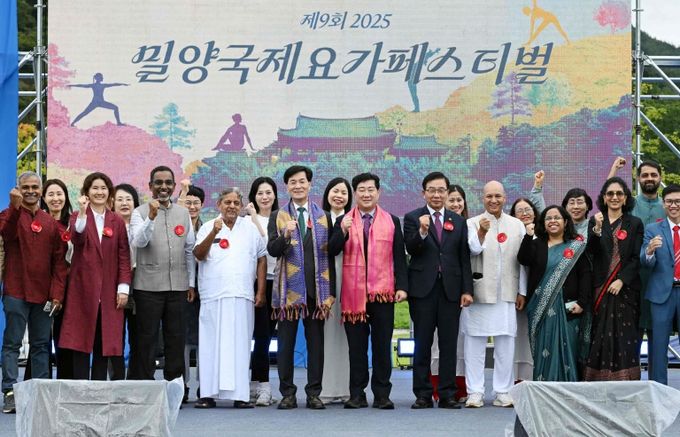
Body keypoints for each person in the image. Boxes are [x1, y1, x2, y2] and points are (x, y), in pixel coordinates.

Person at [329, 173, 408, 410]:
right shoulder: (344, 220)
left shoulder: (391, 221)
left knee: (382, 345)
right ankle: (357, 394)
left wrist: (402, 286)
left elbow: (398, 256)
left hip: (382, 293)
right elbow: (332, 250)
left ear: (378, 192)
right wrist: (342, 232)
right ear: (355, 193)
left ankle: (382, 394)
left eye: (370, 189)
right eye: (361, 190)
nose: (366, 194)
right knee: (357, 348)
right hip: (353, 293)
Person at [267, 165, 337, 410]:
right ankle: (287, 393)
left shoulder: (323, 216)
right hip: (288, 293)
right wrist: (284, 236)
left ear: (309, 184)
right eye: (293, 182)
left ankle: (313, 393)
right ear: (287, 187)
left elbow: (330, 255)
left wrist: (331, 291)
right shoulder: (278, 215)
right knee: (285, 345)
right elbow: (272, 250)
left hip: (317, 291)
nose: (298, 186)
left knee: (316, 345)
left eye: (302, 181)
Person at [404, 173, 473, 410]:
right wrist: (422, 231)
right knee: (422, 344)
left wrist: (467, 290)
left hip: (450, 291)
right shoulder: (413, 218)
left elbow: (463, 257)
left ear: (447, 192)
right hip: (422, 290)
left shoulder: (458, 221)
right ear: (423, 193)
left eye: (441, 190)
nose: (436, 195)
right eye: (431, 190)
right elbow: (411, 248)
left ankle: (447, 393)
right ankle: (423, 394)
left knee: (448, 344)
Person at [193, 188, 267, 408]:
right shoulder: (208, 226)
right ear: (219, 205)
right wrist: (213, 233)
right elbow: (198, 255)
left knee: (240, 346)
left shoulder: (250, 229)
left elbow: (262, 258)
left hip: (242, 294)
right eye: (227, 202)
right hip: (213, 295)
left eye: (236, 203)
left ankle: (240, 396)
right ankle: (207, 394)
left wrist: (261, 291)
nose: (232, 206)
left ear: (241, 206)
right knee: (209, 345)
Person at [0, 173, 67, 413]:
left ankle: (40, 393)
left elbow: (59, 262)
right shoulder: (9, 214)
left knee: (41, 345)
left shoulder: (50, 223)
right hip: (15, 291)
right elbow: (6, 235)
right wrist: (14, 207)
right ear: (18, 189)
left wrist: (57, 294)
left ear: (41, 190)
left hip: (44, 296)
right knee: (12, 344)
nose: (30, 191)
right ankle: (9, 391)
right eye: (25, 187)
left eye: (35, 187)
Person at [59, 173, 132, 380]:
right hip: (83, 289)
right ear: (87, 192)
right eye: (95, 188)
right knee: (81, 341)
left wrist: (123, 288)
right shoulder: (77, 216)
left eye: (103, 188)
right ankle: (80, 387)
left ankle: (99, 387)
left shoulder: (116, 221)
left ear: (109, 192)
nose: (99, 192)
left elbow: (124, 256)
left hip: (109, 290)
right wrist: (83, 212)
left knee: (104, 342)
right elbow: (78, 239)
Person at [463, 180, 526, 408]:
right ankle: (475, 392)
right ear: (483, 198)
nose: (493, 200)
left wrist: (522, 291)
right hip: (479, 292)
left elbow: (522, 262)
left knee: (505, 345)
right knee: (474, 344)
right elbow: (472, 250)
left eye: (498, 196)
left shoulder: (517, 225)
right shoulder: (471, 223)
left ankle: (503, 391)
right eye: (489, 196)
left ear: (505, 198)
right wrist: (482, 231)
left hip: (507, 292)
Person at [130, 166, 196, 381]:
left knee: (176, 339)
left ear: (174, 186)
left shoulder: (183, 213)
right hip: (147, 287)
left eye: (168, 183)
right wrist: (151, 217)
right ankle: (145, 387)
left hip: (178, 287)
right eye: (158, 183)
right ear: (150, 186)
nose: (163, 187)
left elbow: (189, 249)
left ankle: (175, 388)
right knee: (146, 340)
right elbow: (139, 242)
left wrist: (191, 283)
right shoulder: (139, 212)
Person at [517, 205, 591, 381]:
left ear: (565, 222)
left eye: (557, 218)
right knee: (544, 348)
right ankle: (544, 387)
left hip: (569, 308)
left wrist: (582, 302)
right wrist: (528, 236)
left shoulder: (576, 246)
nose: (552, 221)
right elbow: (523, 259)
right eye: (548, 218)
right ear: (543, 223)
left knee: (569, 349)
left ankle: (569, 388)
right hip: (540, 308)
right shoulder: (537, 244)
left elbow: (585, 275)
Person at [610, 157, 665, 379]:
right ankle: (630, 385)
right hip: (631, 281)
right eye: (645, 175)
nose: (649, 178)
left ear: (660, 178)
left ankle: (657, 388)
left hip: (660, 282)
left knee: (658, 340)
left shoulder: (668, 206)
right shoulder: (630, 205)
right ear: (638, 178)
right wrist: (614, 170)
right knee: (630, 338)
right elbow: (609, 196)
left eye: (653, 175)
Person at [584, 177, 643, 381]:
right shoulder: (596, 221)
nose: (615, 197)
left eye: (619, 193)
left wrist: (621, 280)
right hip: (600, 288)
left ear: (625, 198)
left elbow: (636, 258)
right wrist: (597, 230)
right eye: (610, 193)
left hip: (626, 290)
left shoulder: (634, 223)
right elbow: (591, 253)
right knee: (600, 334)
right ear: (604, 198)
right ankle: (598, 379)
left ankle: (625, 379)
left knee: (625, 336)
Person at [25, 179, 73, 380]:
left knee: (65, 339)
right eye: (51, 194)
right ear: (44, 198)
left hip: (69, 290)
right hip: (43, 290)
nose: (56, 199)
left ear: (66, 197)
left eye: (59, 194)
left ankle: (64, 384)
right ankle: (35, 383)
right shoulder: (37, 222)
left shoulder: (74, 224)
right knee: (40, 339)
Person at [641, 184, 680, 385]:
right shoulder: (653, 229)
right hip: (661, 295)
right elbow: (645, 261)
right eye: (669, 201)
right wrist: (649, 251)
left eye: (678, 201)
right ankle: (659, 392)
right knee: (658, 347)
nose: (673, 205)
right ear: (663, 204)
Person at [246, 177, 279, 406]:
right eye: (260, 193)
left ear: (275, 195)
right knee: (260, 335)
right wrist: (254, 218)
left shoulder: (281, 218)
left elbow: (273, 247)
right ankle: (259, 385)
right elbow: (261, 247)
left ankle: (259, 385)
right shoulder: (245, 221)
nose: (265, 197)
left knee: (267, 336)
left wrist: (256, 219)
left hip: (279, 283)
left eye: (268, 192)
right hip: (257, 283)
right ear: (253, 196)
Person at [320, 177, 352, 404]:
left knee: (347, 335)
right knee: (326, 333)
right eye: (335, 191)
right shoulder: (318, 219)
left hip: (349, 278)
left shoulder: (354, 220)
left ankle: (346, 388)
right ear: (327, 194)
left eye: (344, 192)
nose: (339, 196)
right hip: (323, 280)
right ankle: (325, 388)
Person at [443, 184, 469, 403]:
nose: (456, 204)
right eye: (451, 199)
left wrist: (467, 289)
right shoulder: (433, 222)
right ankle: (438, 387)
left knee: (462, 344)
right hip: (441, 293)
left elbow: (466, 259)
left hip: (463, 293)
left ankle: (461, 388)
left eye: (459, 200)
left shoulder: (470, 224)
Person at [509, 198, 540, 383]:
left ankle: (534, 379)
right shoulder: (510, 236)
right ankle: (515, 379)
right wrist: (521, 292)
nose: (525, 213)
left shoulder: (544, 235)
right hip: (515, 295)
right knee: (517, 337)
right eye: (519, 211)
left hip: (539, 295)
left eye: (528, 209)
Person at [112, 183, 140, 379]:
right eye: (120, 199)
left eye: (128, 199)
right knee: (115, 335)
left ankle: (135, 379)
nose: (124, 203)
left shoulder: (142, 225)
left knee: (138, 334)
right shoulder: (107, 227)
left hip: (140, 286)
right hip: (114, 287)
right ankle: (116, 379)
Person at [182, 185, 204, 403]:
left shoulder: (208, 229)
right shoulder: (176, 227)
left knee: (203, 339)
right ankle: (183, 385)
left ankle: (203, 386)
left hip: (204, 290)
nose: (192, 206)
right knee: (182, 340)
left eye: (196, 202)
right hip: (181, 288)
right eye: (188, 202)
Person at [530, 170, 593, 238]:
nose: (575, 207)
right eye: (572, 203)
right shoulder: (557, 226)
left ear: (587, 206)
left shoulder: (594, 226)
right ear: (565, 206)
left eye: (580, 202)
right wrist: (537, 186)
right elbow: (542, 212)